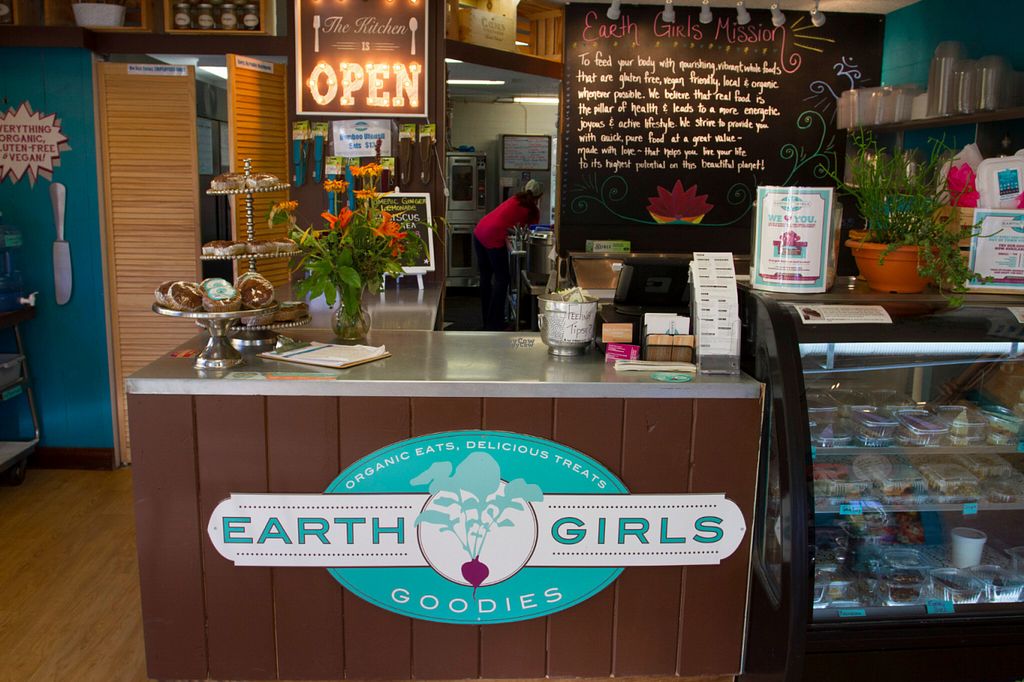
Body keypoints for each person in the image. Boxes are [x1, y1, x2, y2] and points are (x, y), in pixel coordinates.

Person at [473, 179, 542, 331]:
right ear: (539, 197)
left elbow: (507, 221)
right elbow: (531, 231)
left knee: (486, 278)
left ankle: (487, 321)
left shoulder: (515, 198)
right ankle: (495, 324)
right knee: (502, 279)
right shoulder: (531, 210)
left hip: (479, 232)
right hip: (493, 237)